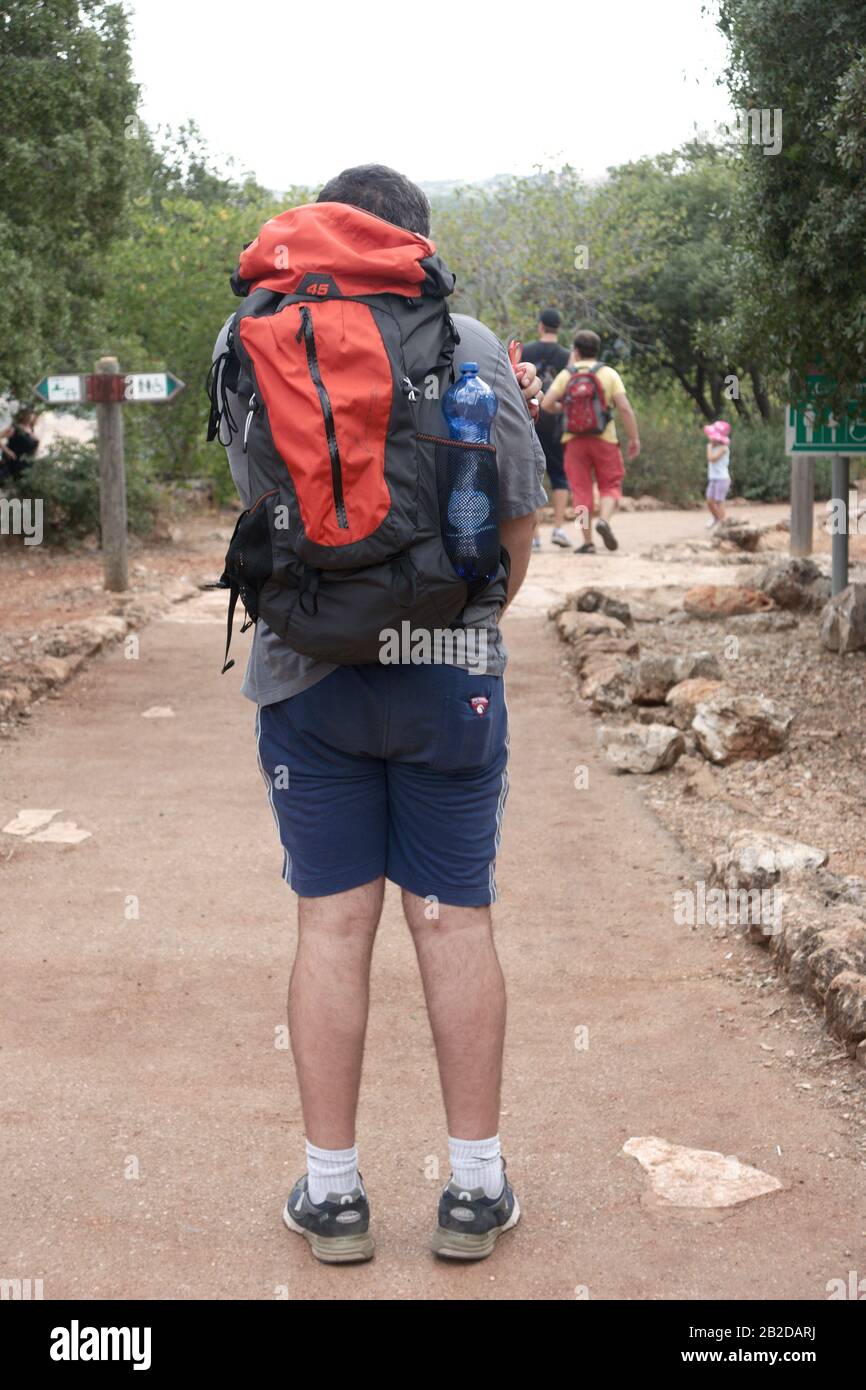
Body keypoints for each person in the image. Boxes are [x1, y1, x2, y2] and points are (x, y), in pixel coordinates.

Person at [211, 164, 547, 1264]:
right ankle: (472, 1189)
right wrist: (461, 624)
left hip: (307, 676)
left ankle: (334, 1195)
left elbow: (259, 507)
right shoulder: (474, 343)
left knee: (331, 923)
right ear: (417, 242)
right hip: (449, 672)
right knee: (451, 919)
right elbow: (514, 523)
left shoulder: (246, 334)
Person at [541, 329, 640, 554]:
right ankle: (604, 520)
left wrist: (564, 408)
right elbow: (624, 408)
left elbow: (546, 404)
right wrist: (634, 438)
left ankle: (586, 542)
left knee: (580, 491)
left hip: (574, 442)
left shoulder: (567, 375)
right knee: (611, 485)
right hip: (604, 438)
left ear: (575, 351)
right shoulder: (608, 374)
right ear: (597, 350)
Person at [520, 308, 570, 550]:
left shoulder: (526, 351)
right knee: (561, 475)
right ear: (558, 328)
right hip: (559, 424)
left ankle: (535, 536)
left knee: (531, 477)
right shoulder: (567, 356)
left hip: (531, 420)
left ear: (540, 326)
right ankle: (559, 529)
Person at [704, 419, 731, 527]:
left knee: (719, 501)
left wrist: (709, 448)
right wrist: (710, 447)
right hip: (713, 478)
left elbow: (712, 458)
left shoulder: (723, 448)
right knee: (710, 501)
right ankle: (716, 518)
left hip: (722, 478)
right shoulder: (713, 447)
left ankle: (722, 523)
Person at [0, 408, 39, 483]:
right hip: (12, 464)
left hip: (26, 467)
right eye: (30, 414)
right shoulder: (15, 428)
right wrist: (7, 451)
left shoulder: (31, 430)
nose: (32, 416)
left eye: (33, 414)